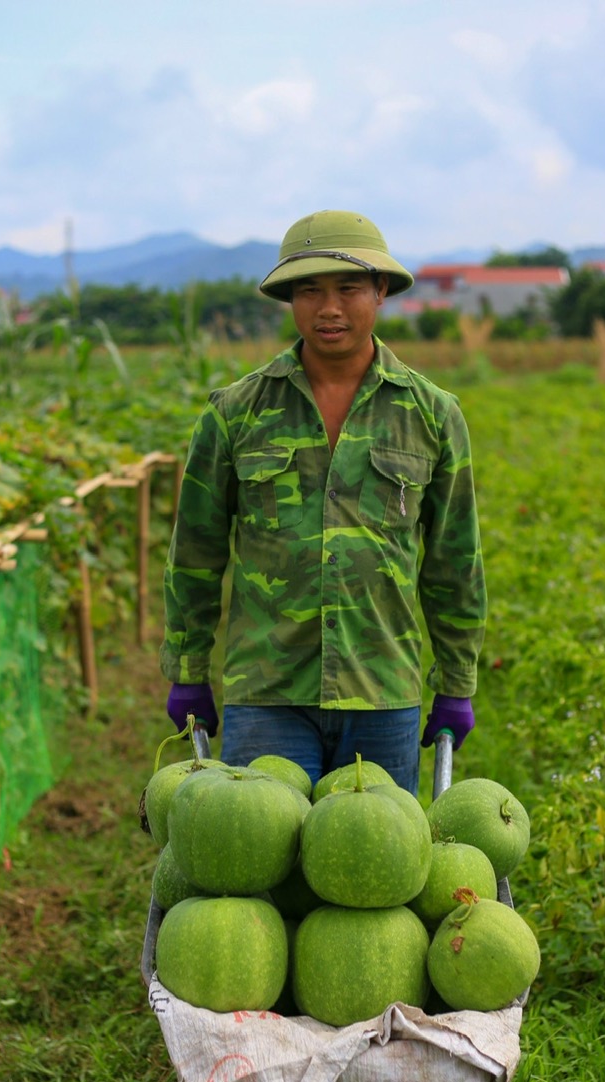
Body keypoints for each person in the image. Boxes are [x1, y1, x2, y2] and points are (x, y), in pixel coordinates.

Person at [159, 209, 486, 797]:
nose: (328, 308)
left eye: (348, 289)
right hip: (267, 689)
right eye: (309, 290)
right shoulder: (235, 412)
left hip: (382, 686)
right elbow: (196, 553)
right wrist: (188, 672)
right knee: (260, 864)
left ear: (380, 291)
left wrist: (456, 681)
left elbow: (453, 560)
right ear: (290, 300)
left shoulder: (433, 415)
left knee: (376, 877)